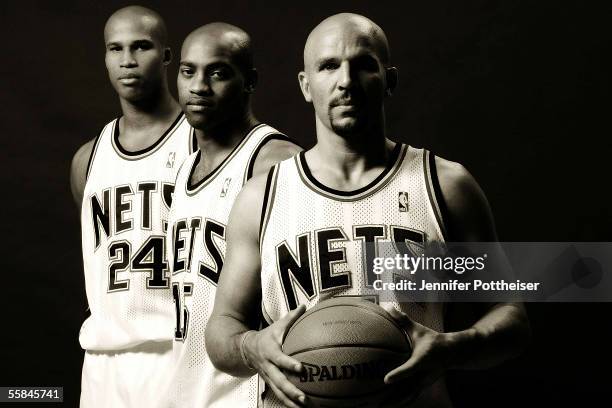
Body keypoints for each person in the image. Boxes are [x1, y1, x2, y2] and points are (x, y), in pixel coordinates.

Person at [206, 13, 530, 408]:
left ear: (389, 80)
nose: (345, 81)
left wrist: (453, 347)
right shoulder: (262, 197)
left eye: (363, 65)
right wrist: (252, 346)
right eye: (328, 66)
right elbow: (221, 330)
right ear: (306, 86)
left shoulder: (445, 185)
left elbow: (511, 317)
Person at [161, 23, 301, 407]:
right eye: (188, 71)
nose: (199, 86)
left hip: (250, 393)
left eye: (218, 72)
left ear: (250, 81)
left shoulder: (275, 162)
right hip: (190, 389)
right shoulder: (183, 169)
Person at [69, 6, 195, 407]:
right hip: (105, 370)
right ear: (105, 57)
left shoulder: (204, 142)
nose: (127, 59)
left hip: (184, 355)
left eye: (141, 46)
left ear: (166, 56)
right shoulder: (87, 160)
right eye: (115, 48)